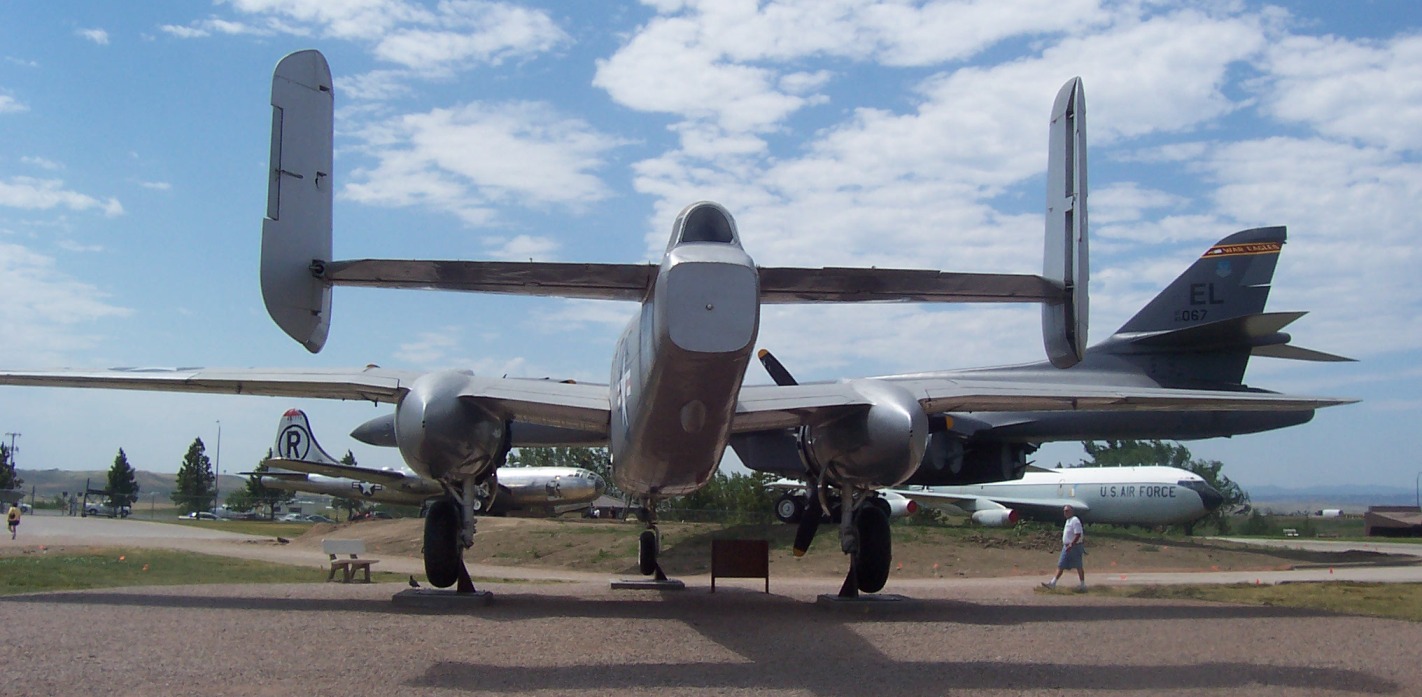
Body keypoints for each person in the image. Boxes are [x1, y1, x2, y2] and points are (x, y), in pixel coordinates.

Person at [1043, 504, 1085, 591]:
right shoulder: (1068, 521)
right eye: (1064, 511)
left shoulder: (1075, 520)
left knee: (1078, 566)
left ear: (1071, 511)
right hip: (1066, 546)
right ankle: (1053, 583)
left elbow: (1078, 534)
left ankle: (1082, 585)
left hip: (1074, 546)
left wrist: (1071, 544)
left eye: (1067, 511)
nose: (1065, 513)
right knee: (1061, 565)